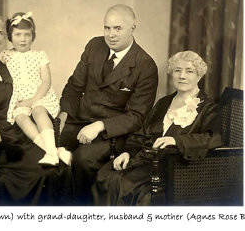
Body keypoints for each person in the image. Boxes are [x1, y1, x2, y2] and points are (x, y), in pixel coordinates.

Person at [0, 11, 72, 205]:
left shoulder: (5, 63)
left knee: (59, 168)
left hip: (16, 133)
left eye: (0, 33)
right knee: (41, 173)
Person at [92, 50, 222, 205]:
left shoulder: (208, 107)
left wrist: (176, 140)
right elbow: (141, 134)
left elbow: (213, 138)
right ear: (171, 73)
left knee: (129, 186)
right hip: (147, 161)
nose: (182, 76)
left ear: (199, 75)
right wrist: (128, 152)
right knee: (105, 176)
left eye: (189, 71)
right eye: (177, 70)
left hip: (177, 168)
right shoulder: (163, 103)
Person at [58, 4, 158, 204]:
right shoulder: (94, 46)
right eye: (107, 28)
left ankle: (79, 212)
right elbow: (74, 87)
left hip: (112, 134)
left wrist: (100, 126)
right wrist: (63, 115)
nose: (111, 34)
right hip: (78, 120)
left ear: (132, 28)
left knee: (82, 160)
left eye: (118, 28)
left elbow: (136, 116)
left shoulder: (145, 65)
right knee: (45, 146)